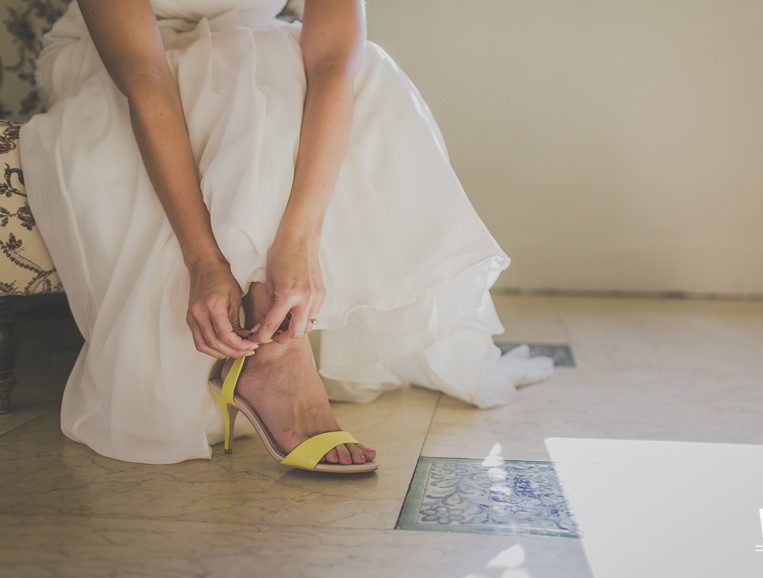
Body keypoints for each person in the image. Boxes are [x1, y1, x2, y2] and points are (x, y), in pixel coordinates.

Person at [19, 0, 554, 471]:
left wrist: (298, 243)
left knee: (356, 68)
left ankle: (276, 340)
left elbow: (334, 65)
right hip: (119, 65)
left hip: (254, 50)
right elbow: (143, 77)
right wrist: (203, 260)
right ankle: (277, 357)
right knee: (242, 65)